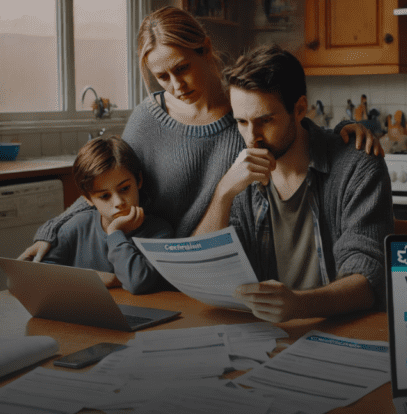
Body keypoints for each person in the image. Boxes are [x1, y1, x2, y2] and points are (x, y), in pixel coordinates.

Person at [19, 6, 381, 267]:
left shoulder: (244, 118)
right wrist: (51, 231)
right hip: (147, 265)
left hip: (209, 266)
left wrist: (343, 135)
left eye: (182, 68)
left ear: (205, 50)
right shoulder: (148, 119)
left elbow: (290, 134)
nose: (176, 86)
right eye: (163, 77)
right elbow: (108, 183)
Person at [194, 44, 394, 323]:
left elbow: (368, 278)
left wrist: (300, 305)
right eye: (241, 121)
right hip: (266, 337)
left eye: (265, 120)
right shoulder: (240, 174)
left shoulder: (357, 165)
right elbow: (203, 270)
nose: (252, 137)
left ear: (299, 109)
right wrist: (223, 194)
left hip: (344, 330)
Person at [42, 136, 174, 295]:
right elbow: (40, 275)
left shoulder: (159, 232)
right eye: (105, 196)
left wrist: (114, 233)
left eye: (125, 188)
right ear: (88, 199)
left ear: (138, 180)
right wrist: (98, 279)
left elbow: (136, 282)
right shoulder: (77, 226)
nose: (118, 202)